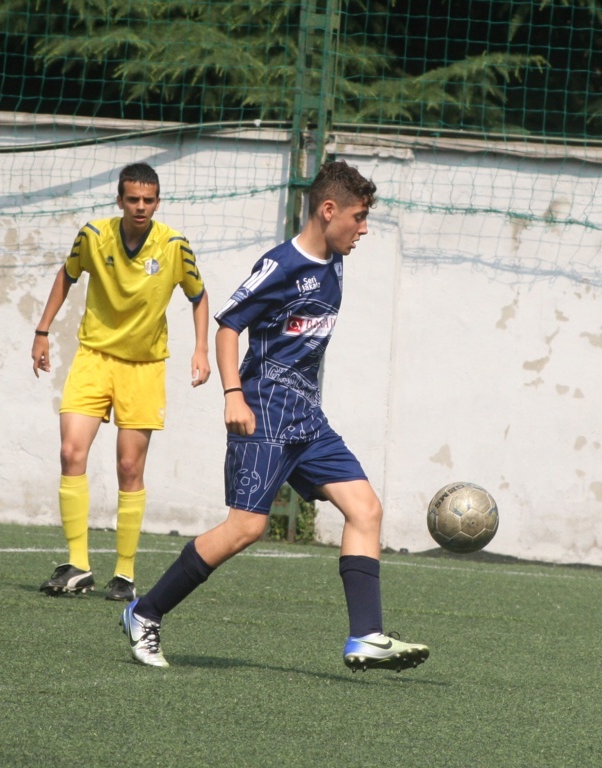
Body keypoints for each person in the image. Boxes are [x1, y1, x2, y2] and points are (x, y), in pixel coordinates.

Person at [120, 160, 430, 672]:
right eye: (358, 217)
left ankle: (365, 636)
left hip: (308, 419)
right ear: (328, 210)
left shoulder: (335, 260)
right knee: (245, 528)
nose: (363, 229)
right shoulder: (280, 266)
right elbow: (227, 327)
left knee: (365, 509)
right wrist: (232, 395)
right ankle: (144, 612)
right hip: (262, 413)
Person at [31, 162, 210, 602]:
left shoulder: (174, 246)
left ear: (158, 202)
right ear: (120, 200)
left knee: (129, 468)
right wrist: (42, 330)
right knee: (70, 452)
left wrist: (201, 349)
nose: (140, 207)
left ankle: (125, 574)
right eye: (133, 199)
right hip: (93, 358)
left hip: (143, 367)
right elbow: (67, 275)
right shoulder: (94, 236)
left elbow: (198, 296)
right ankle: (77, 565)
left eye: (148, 200)